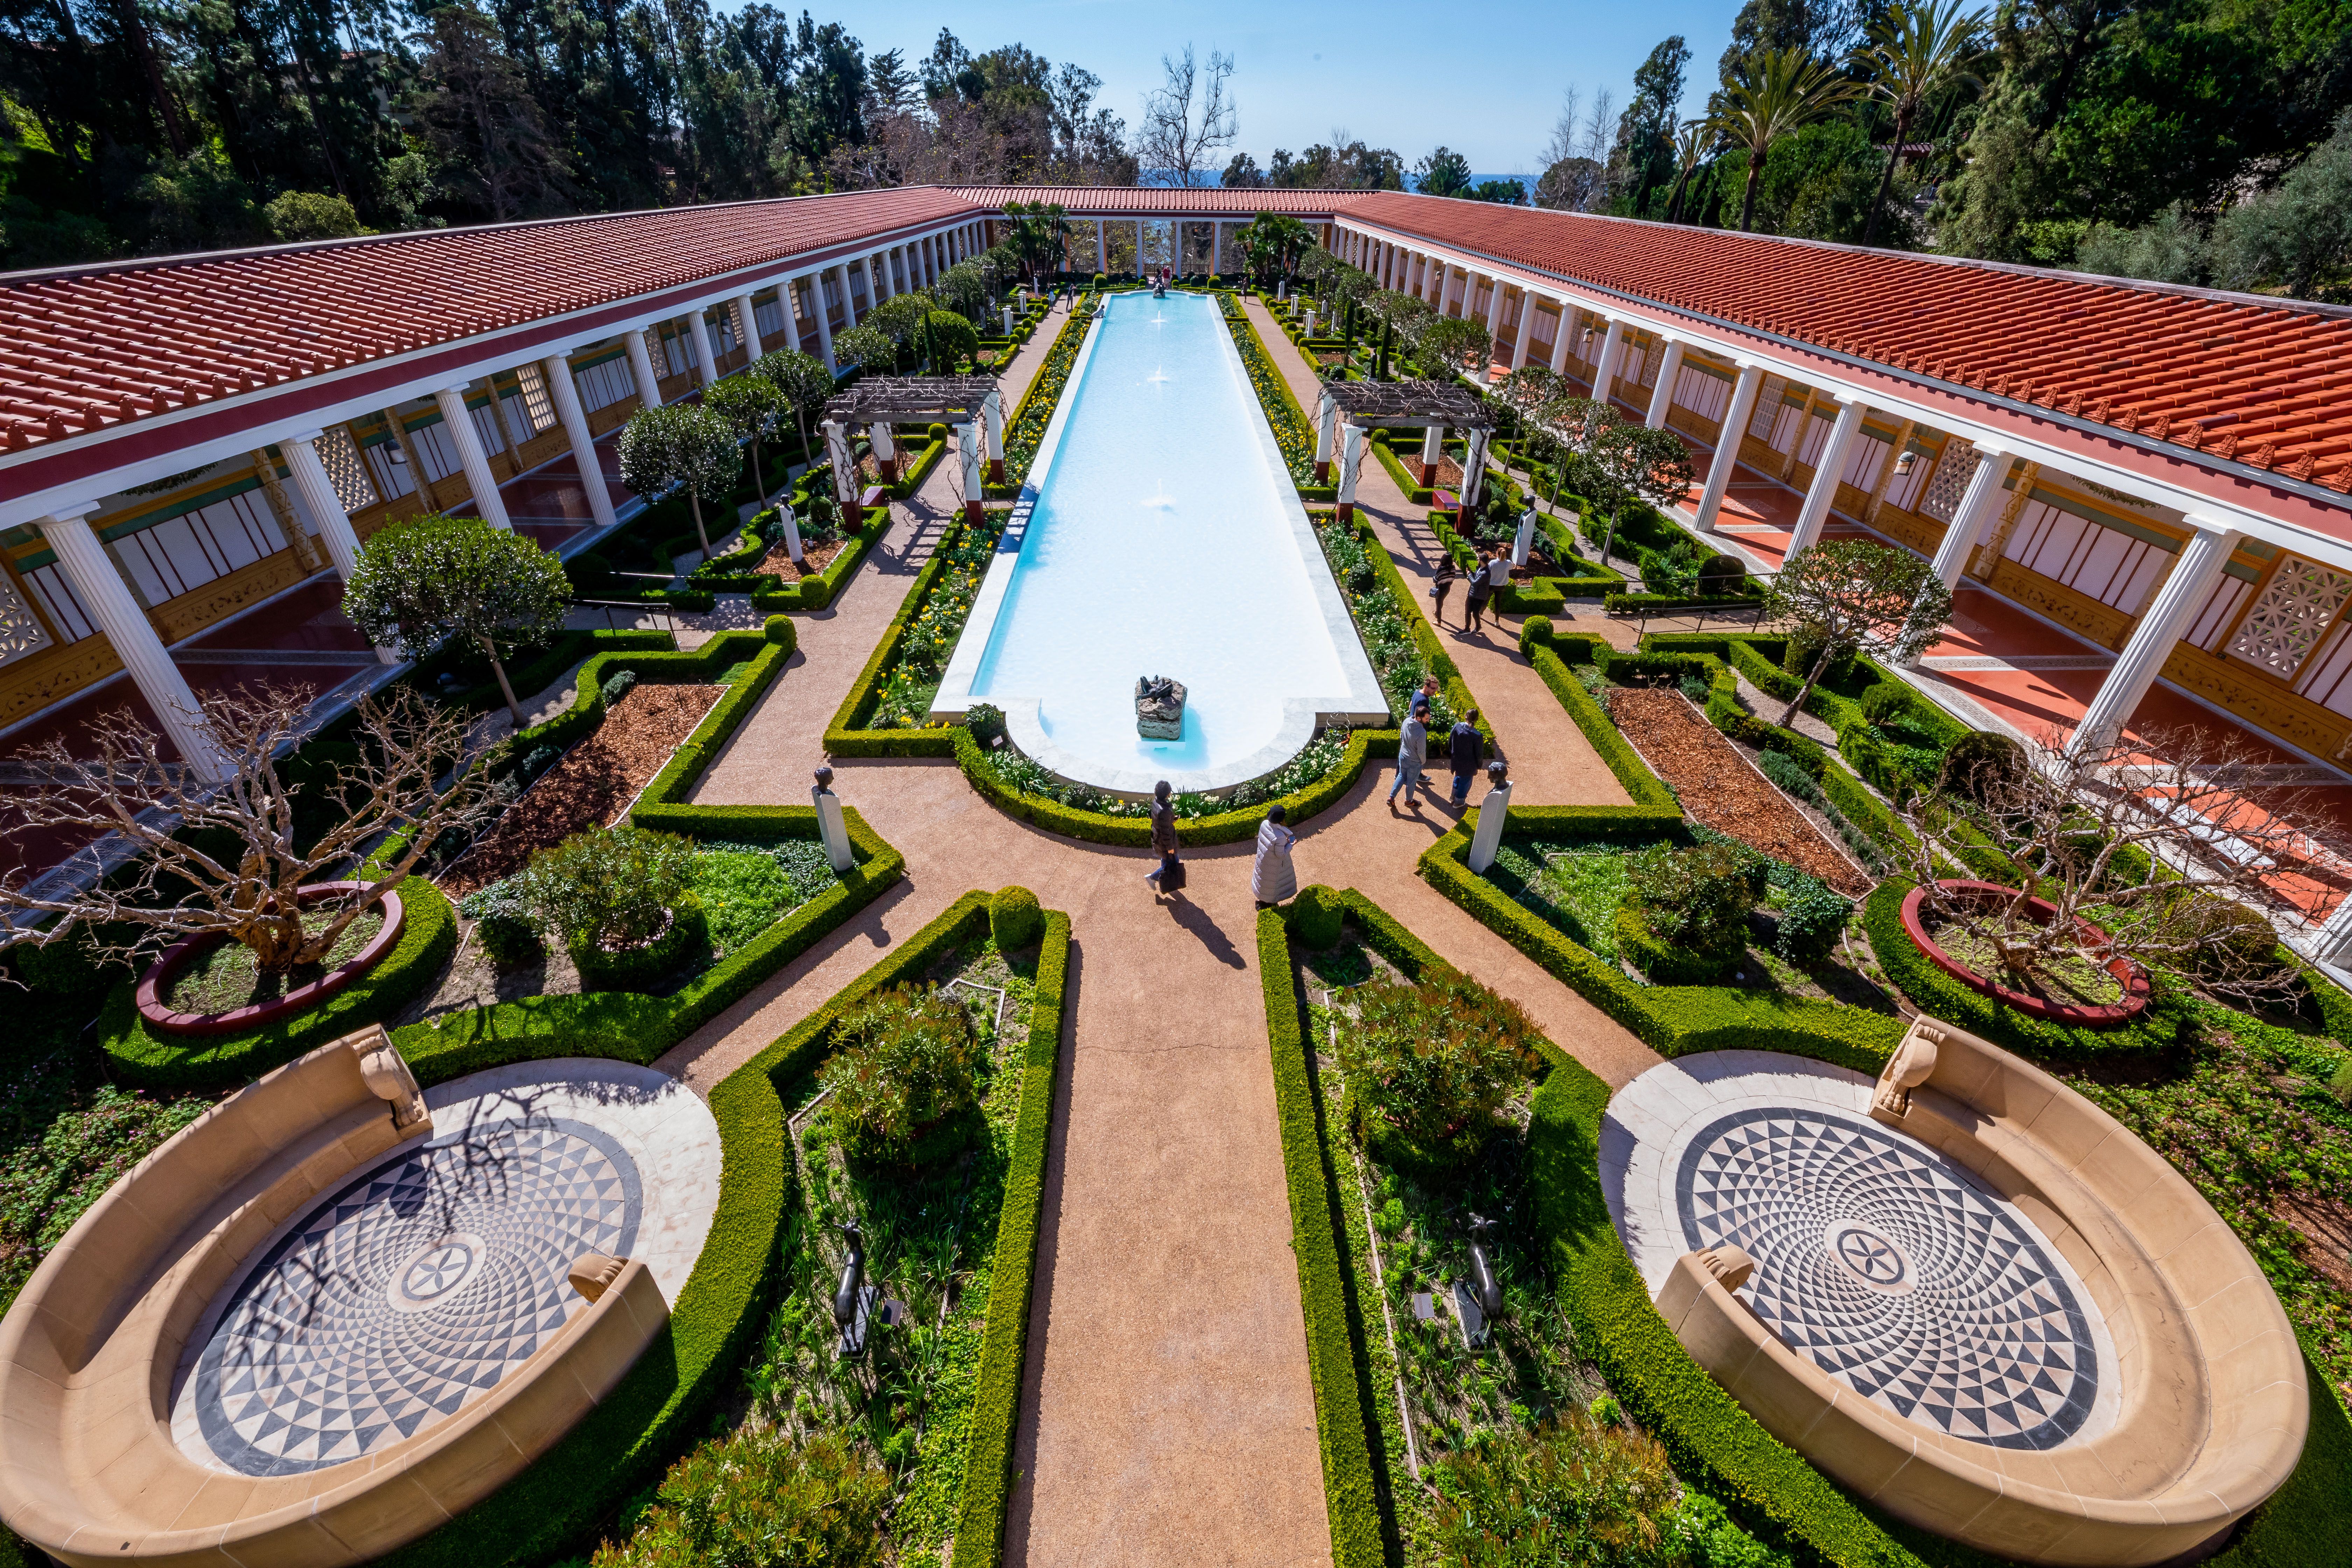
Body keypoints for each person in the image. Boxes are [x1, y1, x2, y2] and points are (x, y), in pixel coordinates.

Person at [1252, 804, 1297, 907]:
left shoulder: (1264, 824)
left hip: (1264, 861)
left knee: (1263, 882)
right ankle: (1269, 905)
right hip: (1274, 865)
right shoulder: (1280, 837)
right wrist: (1291, 845)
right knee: (1272, 886)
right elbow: (1281, 855)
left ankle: (1262, 902)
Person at [1145, 780, 1184, 894]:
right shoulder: (1165, 811)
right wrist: (1170, 847)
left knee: (1166, 861)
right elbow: (1166, 833)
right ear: (1168, 794)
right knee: (1174, 862)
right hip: (1165, 843)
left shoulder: (1156, 803)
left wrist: (1172, 819)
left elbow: (1160, 823)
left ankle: (1163, 881)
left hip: (1158, 839)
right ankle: (1153, 877)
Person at [1388, 708, 1428, 810]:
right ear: (1419, 718)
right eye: (1427, 718)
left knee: (1401, 776)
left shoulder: (1406, 721)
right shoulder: (1422, 732)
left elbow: (1402, 737)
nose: (1428, 720)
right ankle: (1409, 801)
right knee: (1411, 782)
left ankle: (1391, 798)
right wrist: (1423, 762)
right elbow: (1421, 751)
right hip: (1414, 762)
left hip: (1403, 756)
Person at [1447, 708, 1484, 808]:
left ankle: (1453, 797)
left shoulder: (1457, 727)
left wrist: (1454, 754)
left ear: (1465, 716)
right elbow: (1479, 754)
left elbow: (1450, 742)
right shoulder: (1477, 735)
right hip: (1469, 764)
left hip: (1457, 760)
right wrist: (1479, 765)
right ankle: (1459, 802)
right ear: (1476, 720)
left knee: (1458, 778)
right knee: (1465, 782)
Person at [1464, 545, 1494, 634]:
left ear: (1481, 561)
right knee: (1468, 612)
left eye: (1478, 560)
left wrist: (1469, 574)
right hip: (1472, 594)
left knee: (1475, 613)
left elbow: (1475, 583)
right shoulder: (1481, 569)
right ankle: (1467, 629)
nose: (1478, 561)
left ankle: (1478, 626)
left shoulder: (1486, 573)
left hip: (1479, 597)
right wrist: (1472, 573)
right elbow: (1476, 578)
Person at [1430, 554, 1458, 627]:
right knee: (1441, 602)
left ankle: (1439, 621)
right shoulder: (1453, 568)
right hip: (1447, 588)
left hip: (1440, 589)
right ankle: (1437, 613)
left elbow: (1435, 579)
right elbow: (1454, 577)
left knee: (1439, 605)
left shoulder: (1441, 569)